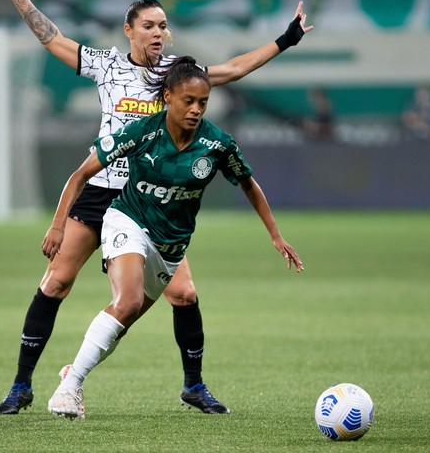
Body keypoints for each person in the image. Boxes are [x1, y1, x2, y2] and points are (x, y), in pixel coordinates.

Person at [0, 0, 312, 416]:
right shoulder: (105, 66)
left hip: (149, 196)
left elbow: (236, 68)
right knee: (57, 281)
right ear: (129, 30)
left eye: (163, 25)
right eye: (149, 25)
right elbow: (52, 38)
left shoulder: (181, 76)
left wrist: (287, 38)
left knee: (184, 294)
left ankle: (193, 386)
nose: (159, 33)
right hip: (103, 189)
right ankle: (21, 386)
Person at [44, 56, 304, 419]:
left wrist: (276, 236)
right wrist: (58, 225)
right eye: (189, 101)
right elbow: (80, 175)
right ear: (167, 96)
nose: (196, 109)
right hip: (127, 221)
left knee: (138, 312)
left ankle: (78, 370)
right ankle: (68, 390)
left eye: (203, 102)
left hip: (171, 244)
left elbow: (248, 182)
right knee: (128, 300)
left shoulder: (217, 144)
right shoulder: (141, 132)